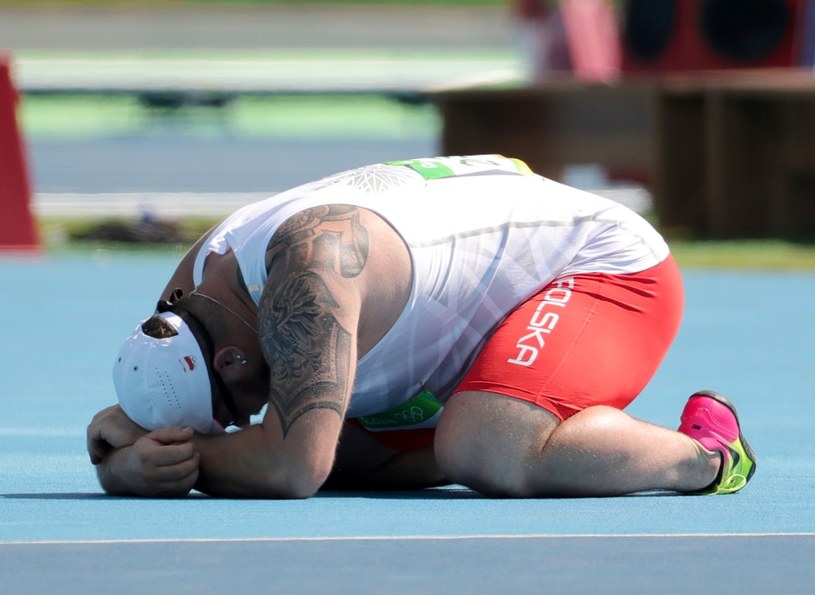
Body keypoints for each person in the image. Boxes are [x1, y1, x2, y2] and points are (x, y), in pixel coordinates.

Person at [86, 155, 756, 498]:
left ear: (231, 361)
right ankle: (472, 422)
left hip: (601, 268)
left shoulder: (311, 269)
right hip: (464, 291)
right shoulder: (190, 292)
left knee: (485, 442)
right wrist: (129, 446)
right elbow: (169, 419)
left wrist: (166, 468)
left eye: (233, 409)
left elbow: (292, 469)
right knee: (345, 453)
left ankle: (705, 457)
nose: (240, 418)